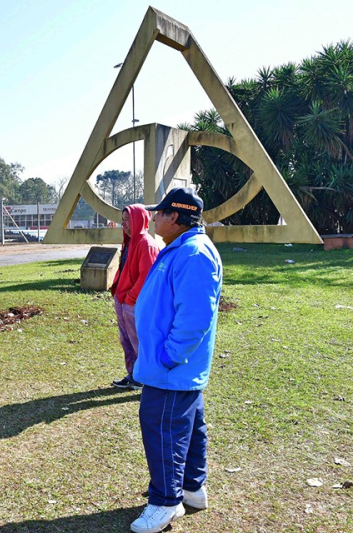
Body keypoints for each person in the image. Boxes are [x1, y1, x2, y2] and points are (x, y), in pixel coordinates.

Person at [129, 187, 223, 533]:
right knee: (189, 428)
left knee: (163, 429)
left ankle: (165, 502)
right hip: (172, 367)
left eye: (160, 212)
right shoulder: (181, 248)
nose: (153, 218)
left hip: (171, 368)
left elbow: (195, 316)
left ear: (175, 217)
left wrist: (170, 356)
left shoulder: (194, 253)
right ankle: (191, 489)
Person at [109, 204, 160, 391]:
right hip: (123, 301)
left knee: (139, 341)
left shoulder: (146, 244)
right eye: (122, 219)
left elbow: (146, 276)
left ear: (139, 219)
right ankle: (134, 375)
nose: (124, 224)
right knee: (127, 341)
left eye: (127, 219)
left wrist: (131, 298)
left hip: (134, 303)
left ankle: (146, 379)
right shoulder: (130, 241)